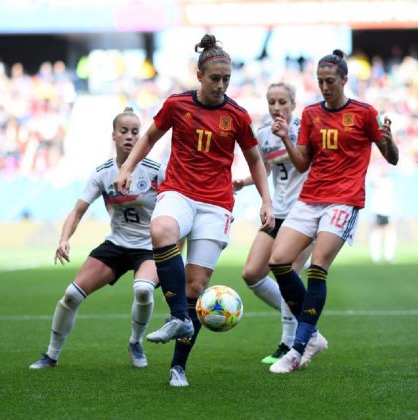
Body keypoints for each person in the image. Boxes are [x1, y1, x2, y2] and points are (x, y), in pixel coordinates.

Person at [113, 34, 274, 387]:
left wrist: (265, 200)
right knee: (161, 231)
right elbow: (149, 138)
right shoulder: (177, 105)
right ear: (199, 75)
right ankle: (178, 317)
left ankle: (178, 367)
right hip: (179, 192)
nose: (221, 85)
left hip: (216, 204)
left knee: (197, 287)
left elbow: (254, 160)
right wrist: (126, 168)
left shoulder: (237, 116)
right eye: (214, 78)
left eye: (226, 79)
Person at [266, 49, 398, 374]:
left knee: (317, 266)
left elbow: (392, 157)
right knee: (278, 261)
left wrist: (389, 141)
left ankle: (298, 347)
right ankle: (310, 334)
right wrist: (286, 139)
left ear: (344, 80)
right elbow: (302, 164)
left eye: (330, 81)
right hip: (310, 198)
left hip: (344, 200)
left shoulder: (365, 113)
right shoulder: (311, 114)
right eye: (320, 82)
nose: (325, 87)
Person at [30, 107, 160, 370]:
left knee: (144, 290)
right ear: (113, 135)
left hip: (149, 247)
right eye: (123, 131)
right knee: (70, 295)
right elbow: (78, 210)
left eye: (135, 132)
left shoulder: (156, 170)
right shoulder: (102, 172)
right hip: (117, 243)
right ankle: (51, 355)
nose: (129, 137)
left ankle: (135, 342)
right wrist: (64, 239)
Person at [232, 82, 312, 364]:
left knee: (287, 273)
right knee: (252, 273)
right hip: (276, 212)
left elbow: (305, 165)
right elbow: (265, 169)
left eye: (282, 102)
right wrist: (243, 181)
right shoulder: (264, 134)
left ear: (293, 103)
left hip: (303, 213)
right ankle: (306, 319)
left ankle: (290, 343)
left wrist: (287, 137)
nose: (277, 108)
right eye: (272, 103)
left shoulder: (305, 129)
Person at [368, 166, 398, 264]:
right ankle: (376, 256)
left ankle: (389, 256)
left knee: (390, 231)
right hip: (378, 210)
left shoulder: (389, 181)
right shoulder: (376, 179)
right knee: (377, 231)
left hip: (388, 210)